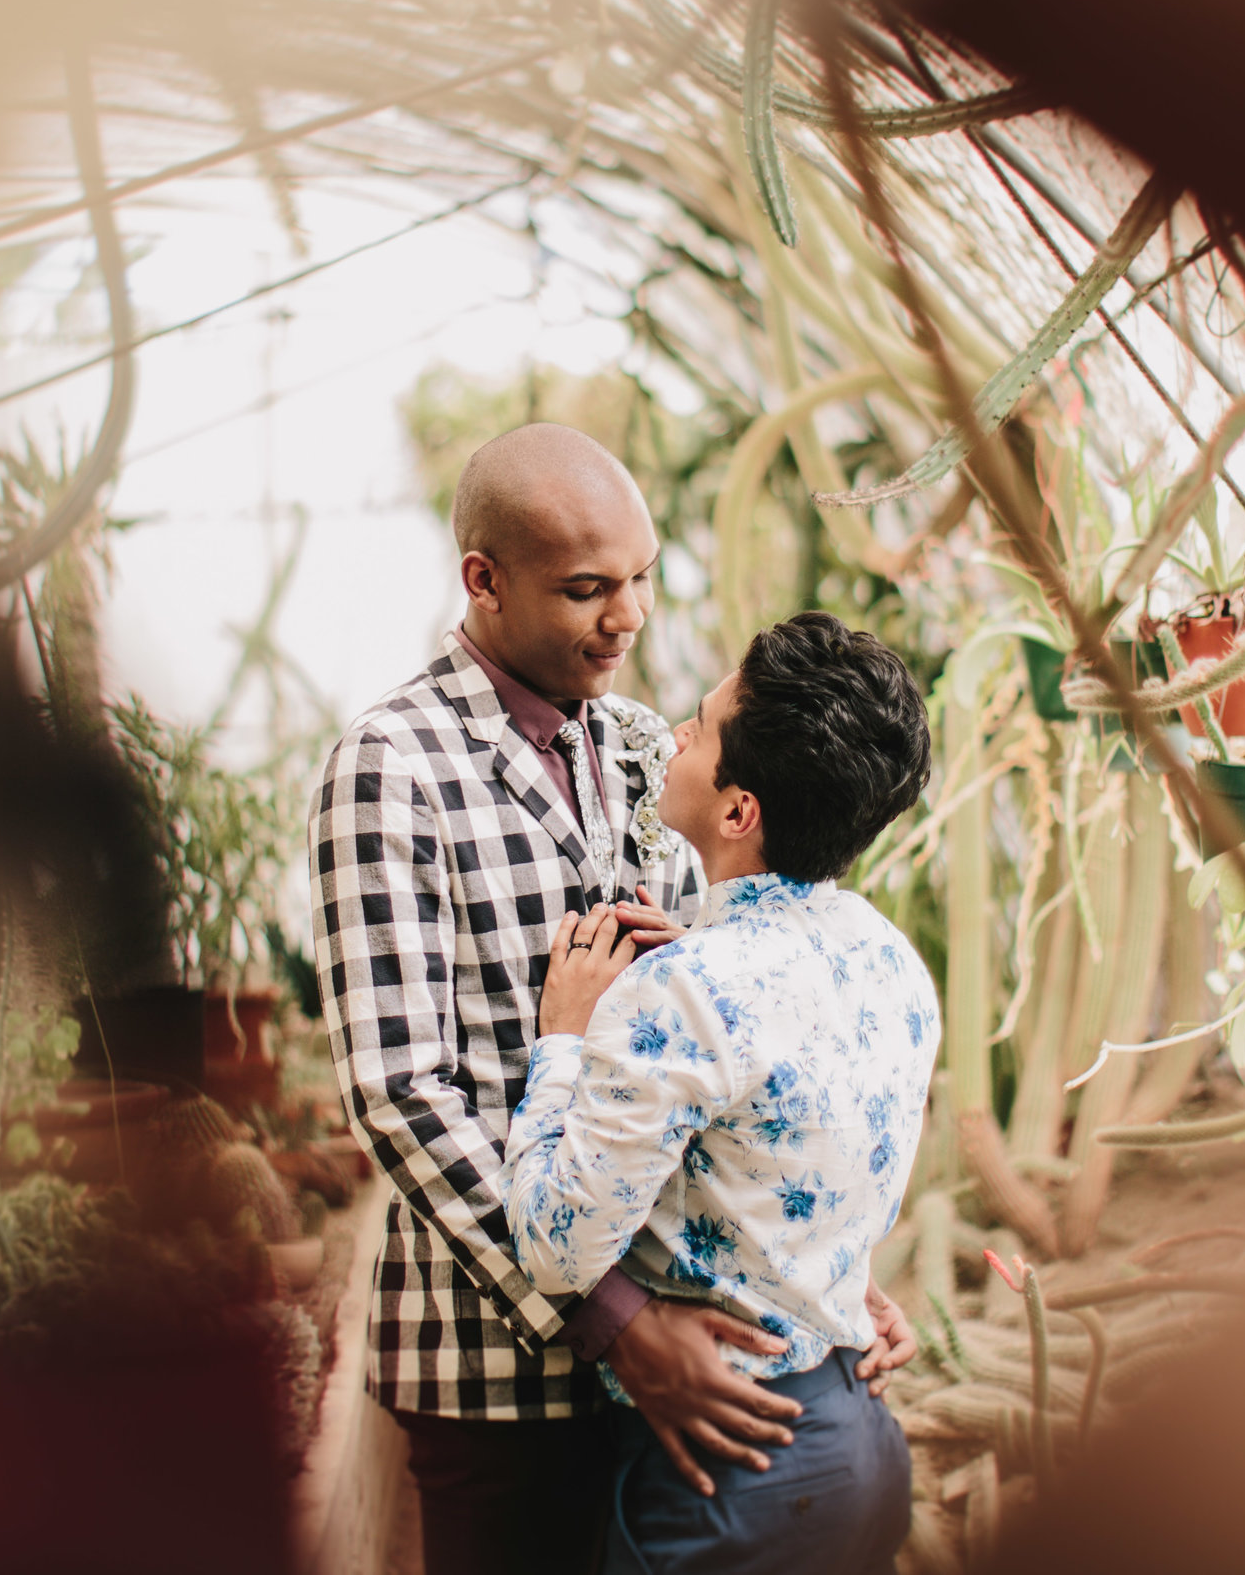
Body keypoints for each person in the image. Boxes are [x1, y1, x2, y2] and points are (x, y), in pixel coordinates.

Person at [312, 427, 906, 1575]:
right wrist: (620, 1324)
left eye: (639, 577)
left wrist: (832, 1269)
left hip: (695, 1353)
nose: (627, 616)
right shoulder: (391, 768)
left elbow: (733, 1049)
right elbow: (400, 1091)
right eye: (586, 588)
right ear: (483, 579)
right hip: (501, 1369)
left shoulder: (649, 748)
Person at [505, 610, 939, 1575]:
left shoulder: (683, 990)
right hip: (861, 1436)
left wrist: (565, 1041)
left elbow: (553, 1244)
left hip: (734, 1476)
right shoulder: (888, 954)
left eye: (699, 727)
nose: (674, 733)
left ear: (739, 811)